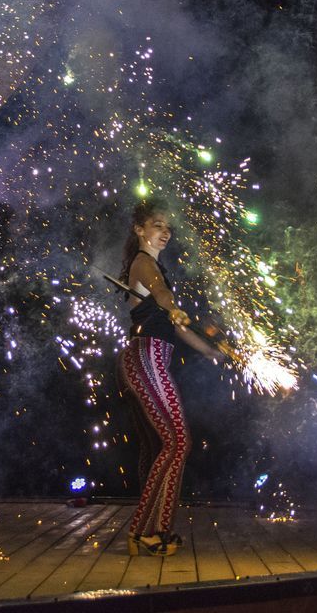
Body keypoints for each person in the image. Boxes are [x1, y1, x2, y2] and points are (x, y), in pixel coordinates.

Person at [117, 199, 225, 557]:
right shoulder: (144, 264)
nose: (165, 232)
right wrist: (171, 304)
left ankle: (146, 532)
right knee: (178, 442)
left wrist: (210, 352)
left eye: (168, 227)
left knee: (172, 444)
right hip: (146, 357)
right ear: (140, 230)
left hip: (151, 358)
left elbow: (174, 327)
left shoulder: (155, 267)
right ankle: (151, 532)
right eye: (158, 225)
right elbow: (161, 295)